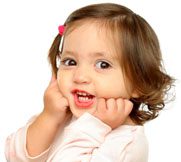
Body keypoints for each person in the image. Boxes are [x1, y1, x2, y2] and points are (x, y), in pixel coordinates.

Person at [5, 3, 174, 162]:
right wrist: (48, 117)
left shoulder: (127, 144)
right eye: (70, 62)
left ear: (139, 82)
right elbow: (14, 157)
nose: (80, 77)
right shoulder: (62, 115)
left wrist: (95, 127)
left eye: (103, 64)